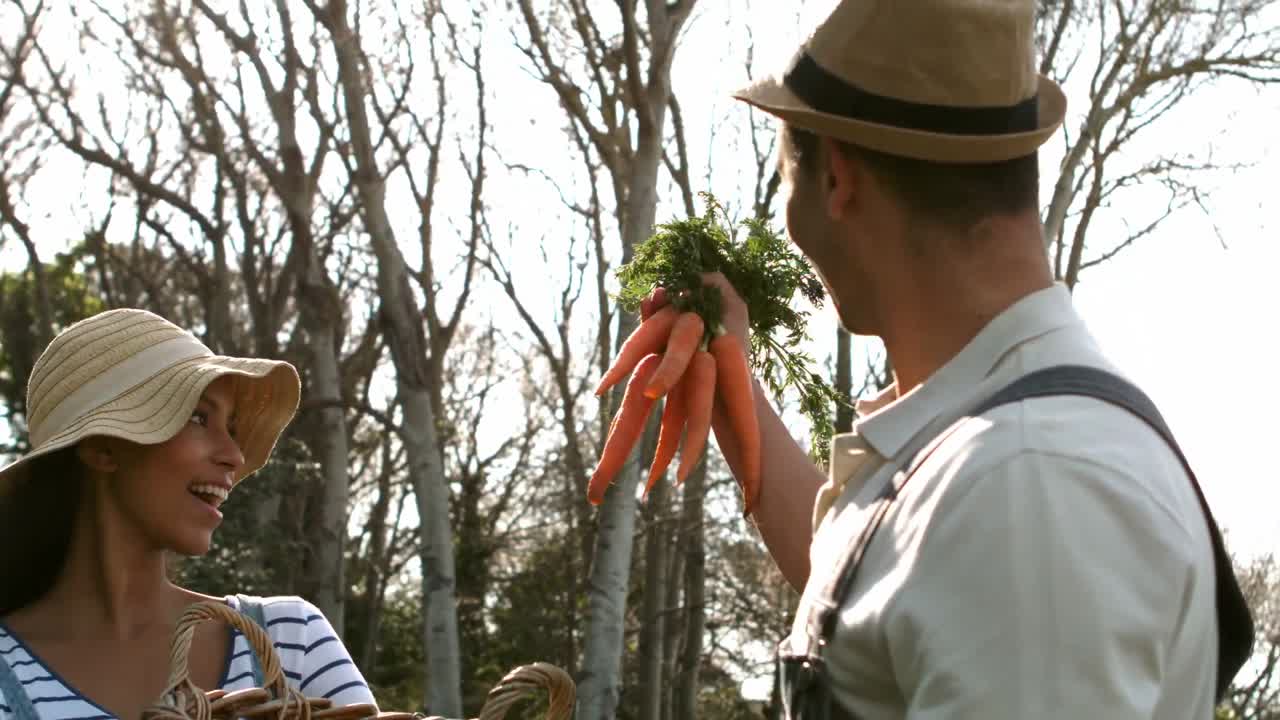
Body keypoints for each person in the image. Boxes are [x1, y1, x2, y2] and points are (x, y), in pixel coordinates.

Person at [642, 0, 1251, 717]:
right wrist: (730, 387)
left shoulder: (1030, 485)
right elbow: (887, 606)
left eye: (784, 176)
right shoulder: (997, 458)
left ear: (836, 176)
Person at [0, 308, 375, 720]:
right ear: (103, 447)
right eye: (199, 417)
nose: (234, 455)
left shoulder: (290, 640)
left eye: (231, 426)